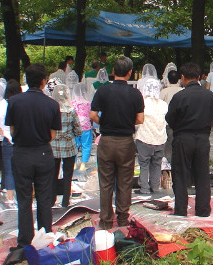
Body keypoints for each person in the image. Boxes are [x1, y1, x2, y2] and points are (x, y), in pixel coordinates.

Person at [5, 63, 61, 248]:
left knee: (24, 199)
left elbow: (12, 130)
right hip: (43, 152)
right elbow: (52, 135)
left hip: (21, 152)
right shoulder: (52, 104)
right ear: (44, 82)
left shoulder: (14, 102)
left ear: (26, 80)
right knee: (44, 198)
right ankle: (45, 238)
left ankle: (25, 241)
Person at [90, 56, 144, 229]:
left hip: (106, 141)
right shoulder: (135, 93)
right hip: (126, 142)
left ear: (113, 72)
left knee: (105, 182)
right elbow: (140, 119)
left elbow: (92, 115)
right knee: (125, 182)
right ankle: (122, 219)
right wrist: (126, 123)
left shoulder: (102, 91)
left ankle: (106, 220)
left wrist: (104, 123)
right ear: (130, 72)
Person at [166, 62, 213, 217]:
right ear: (199, 77)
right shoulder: (209, 95)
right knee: (202, 175)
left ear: (183, 77)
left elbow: (170, 119)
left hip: (183, 137)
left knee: (180, 174)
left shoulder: (179, 96)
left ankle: (181, 210)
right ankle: (203, 210)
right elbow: (212, 115)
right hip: (202, 138)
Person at [50, 84, 82, 207]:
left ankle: (52, 199)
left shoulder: (51, 110)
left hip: (53, 146)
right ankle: (65, 200)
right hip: (69, 146)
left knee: (53, 174)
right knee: (68, 174)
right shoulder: (71, 111)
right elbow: (78, 129)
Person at [135, 78, 168, 194]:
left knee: (144, 164)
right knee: (157, 164)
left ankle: (144, 188)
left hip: (145, 138)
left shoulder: (142, 103)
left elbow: (137, 120)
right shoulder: (163, 104)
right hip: (160, 138)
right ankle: (155, 187)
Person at [0, 80, 21, 205]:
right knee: (22, 168)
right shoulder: (21, 103)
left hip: (7, 139)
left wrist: (4, 134)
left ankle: (11, 198)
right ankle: (23, 195)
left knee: (8, 169)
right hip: (21, 140)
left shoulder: (2, 104)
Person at [160, 69, 183, 162]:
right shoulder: (183, 91)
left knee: (169, 142)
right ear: (178, 80)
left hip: (167, 121)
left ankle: (169, 161)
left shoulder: (164, 91)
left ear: (168, 80)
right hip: (181, 121)